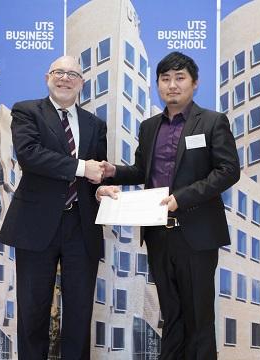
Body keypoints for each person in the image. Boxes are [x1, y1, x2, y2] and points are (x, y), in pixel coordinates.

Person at [98, 51, 240, 359]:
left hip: (197, 234)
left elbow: (228, 171)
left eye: (179, 78)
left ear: (194, 83)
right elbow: (141, 171)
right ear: (158, 85)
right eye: (165, 79)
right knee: (171, 313)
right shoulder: (149, 127)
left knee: (199, 317)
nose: (172, 85)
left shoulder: (213, 122)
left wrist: (182, 197)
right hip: (159, 235)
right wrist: (113, 172)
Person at [0, 55, 107, 360]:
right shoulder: (27, 111)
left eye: (73, 74)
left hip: (81, 226)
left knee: (79, 313)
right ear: (48, 77)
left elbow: (94, 174)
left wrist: (103, 189)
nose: (65, 78)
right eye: (59, 72)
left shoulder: (95, 124)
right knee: (32, 312)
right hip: (35, 224)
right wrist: (84, 168)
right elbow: (30, 155)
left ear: (81, 83)